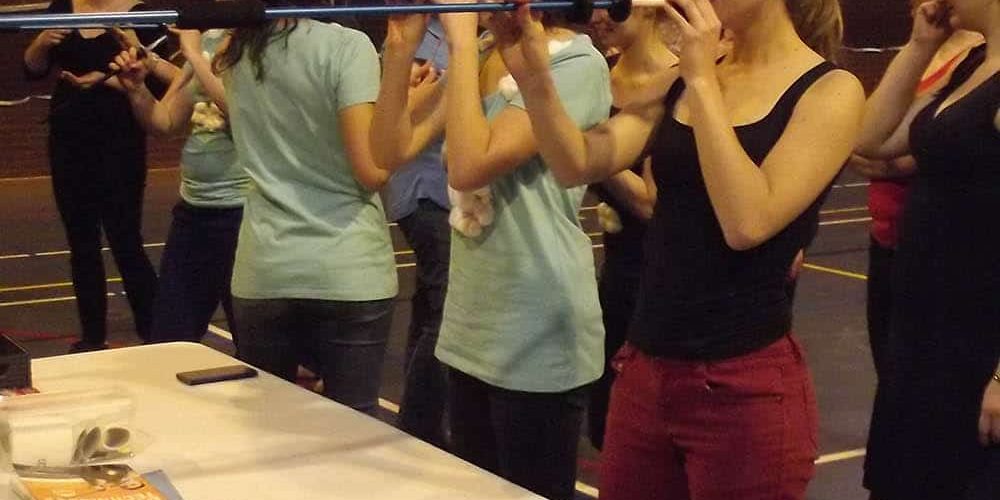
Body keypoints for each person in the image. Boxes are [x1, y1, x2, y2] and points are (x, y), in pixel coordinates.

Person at [503, 0, 864, 498]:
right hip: (647, 368)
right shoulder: (689, 76)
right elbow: (577, 162)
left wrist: (700, 81)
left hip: (744, 386)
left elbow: (747, 222)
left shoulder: (830, 90)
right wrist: (533, 79)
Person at [372, 8, 610, 499]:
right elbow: (389, 152)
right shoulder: (481, 52)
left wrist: (459, 44)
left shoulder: (576, 64)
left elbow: (468, 167)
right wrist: (399, 48)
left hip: (538, 328)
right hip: (473, 326)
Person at [213, 5, 398, 414]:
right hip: (346, 268)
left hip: (265, 271)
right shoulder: (346, 47)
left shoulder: (236, 52)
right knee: (354, 431)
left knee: (271, 427)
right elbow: (372, 169)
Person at [854, 1, 999, 498]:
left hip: (978, 340)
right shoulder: (973, 64)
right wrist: (919, 46)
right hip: (924, 329)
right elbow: (871, 138)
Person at [22, 0, 176, 352]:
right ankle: (92, 338)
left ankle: (154, 334)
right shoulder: (62, 7)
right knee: (81, 242)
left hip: (120, 140)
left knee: (125, 239)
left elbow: (159, 85)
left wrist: (104, 82)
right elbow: (32, 69)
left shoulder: (142, 13)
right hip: (68, 138)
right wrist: (41, 43)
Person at [848, 1, 983, 380]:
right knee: (896, 378)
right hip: (898, 245)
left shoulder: (976, 62)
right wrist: (920, 45)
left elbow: (927, 146)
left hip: (951, 258)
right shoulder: (944, 54)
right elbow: (866, 141)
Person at [111, 28, 250, 344]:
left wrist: (194, 56)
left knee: (256, 346)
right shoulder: (208, 41)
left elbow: (247, 115)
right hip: (194, 212)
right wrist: (137, 89)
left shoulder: (260, 46)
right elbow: (166, 122)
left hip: (245, 213)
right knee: (169, 339)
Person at [583, 6, 675, 451]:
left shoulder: (679, 83)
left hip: (662, 282)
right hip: (616, 274)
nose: (599, 14)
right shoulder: (599, 76)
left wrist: (592, 148)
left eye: (614, 5)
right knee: (607, 425)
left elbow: (652, 204)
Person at [381, 17, 452, 447]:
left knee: (429, 306)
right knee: (447, 313)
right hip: (425, 191)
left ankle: (422, 420)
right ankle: (419, 424)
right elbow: (397, 118)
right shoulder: (417, 38)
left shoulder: (473, 37)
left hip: (447, 194)